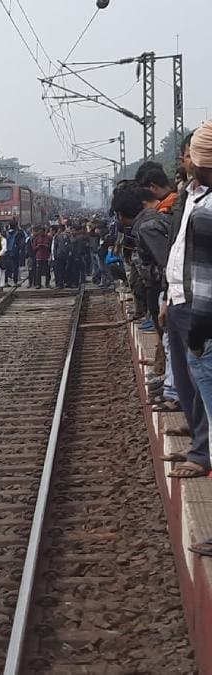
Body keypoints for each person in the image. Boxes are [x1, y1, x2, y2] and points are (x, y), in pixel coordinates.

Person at [165, 122, 212, 480]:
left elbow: (206, 276)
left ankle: (203, 451)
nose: (185, 161)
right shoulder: (191, 196)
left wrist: (199, 327)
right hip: (183, 300)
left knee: (205, 386)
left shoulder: (206, 206)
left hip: (200, 311)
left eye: (189, 155)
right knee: (192, 384)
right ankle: (200, 446)